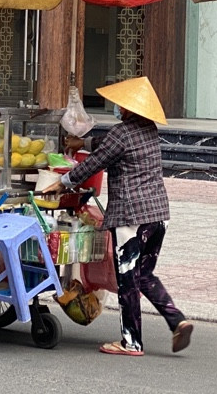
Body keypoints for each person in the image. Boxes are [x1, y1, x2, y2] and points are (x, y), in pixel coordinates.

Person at [55, 76, 193, 356]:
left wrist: (65, 181)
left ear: (128, 108)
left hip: (132, 218)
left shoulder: (121, 133)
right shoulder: (148, 129)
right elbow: (109, 145)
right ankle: (177, 320)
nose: (117, 108)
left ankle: (131, 342)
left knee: (128, 278)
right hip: (158, 216)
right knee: (145, 275)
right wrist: (83, 141)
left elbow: (98, 160)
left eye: (120, 105)